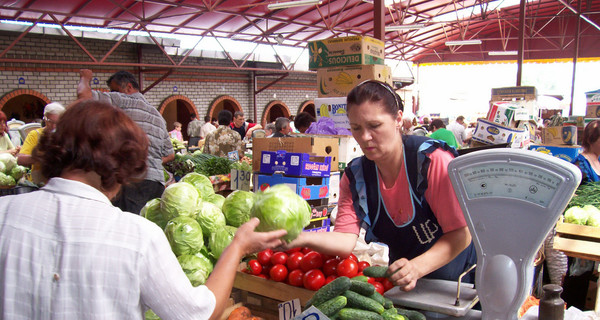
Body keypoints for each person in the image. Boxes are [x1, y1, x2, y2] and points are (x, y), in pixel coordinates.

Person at [0, 100, 287, 320]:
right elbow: (197, 313)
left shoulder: (4, 212)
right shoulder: (136, 235)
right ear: (123, 163)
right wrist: (237, 245)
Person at [282, 80, 476, 292]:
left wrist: (417, 267)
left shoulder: (430, 162)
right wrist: (299, 237)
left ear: (398, 119)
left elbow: (462, 234)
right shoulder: (356, 176)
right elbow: (345, 240)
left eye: (374, 126)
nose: (364, 137)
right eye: (356, 128)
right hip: (405, 283)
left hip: (457, 284)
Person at [77, 69, 174, 215]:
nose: (112, 93)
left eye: (114, 90)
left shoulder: (122, 100)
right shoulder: (157, 116)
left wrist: (85, 77)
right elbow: (170, 154)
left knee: (129, 229)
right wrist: (150, 161)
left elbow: (84, 97)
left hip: (132, 182)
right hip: (156, 184)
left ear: (129, 87)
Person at [17, 102, 65, 185]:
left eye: (57, 123)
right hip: (39, 184)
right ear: (45, 118)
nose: (54, 126)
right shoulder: (35, 135)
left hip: (61, 182)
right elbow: (20, 159)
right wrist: (39, 157)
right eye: (50, 121)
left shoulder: (66, 136)